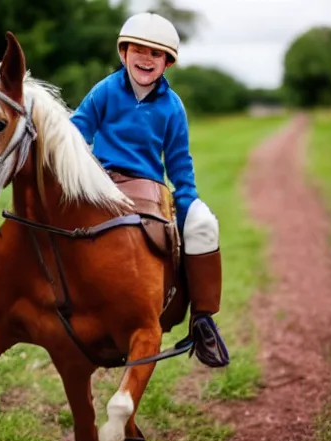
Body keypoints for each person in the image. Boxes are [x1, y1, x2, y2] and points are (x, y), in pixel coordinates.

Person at [70, 12, 229, 368]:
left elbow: (179, 164)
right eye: (138, 49)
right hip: (102, 181)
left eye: (156, 54)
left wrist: (188, 206)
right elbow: (76, 132)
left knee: (205, 224)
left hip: (148, 187)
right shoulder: (105, 90)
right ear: (123, 54)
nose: (146, 58)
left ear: (167, 63)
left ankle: (202, 318)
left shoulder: (173, 108)